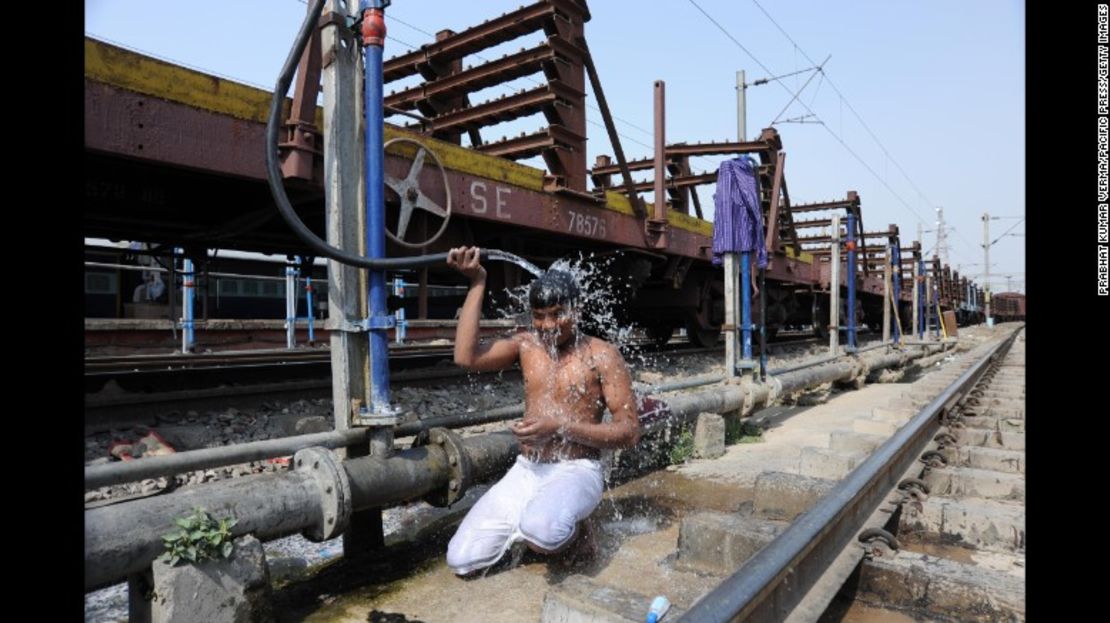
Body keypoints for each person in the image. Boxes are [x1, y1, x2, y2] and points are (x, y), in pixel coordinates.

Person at [444, 246, 641, 576]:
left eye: (557, 314)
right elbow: (466, 357)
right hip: (527, 470)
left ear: (577, 310)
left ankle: (575, 531)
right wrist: (477, 282)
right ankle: (533, 522)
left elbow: (630, 432)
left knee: (544, 532)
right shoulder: (526, 345)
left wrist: (561, 427)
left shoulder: (601, 354)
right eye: (539, 316)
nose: (548, 325)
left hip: (578, 469)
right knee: (461, 560)